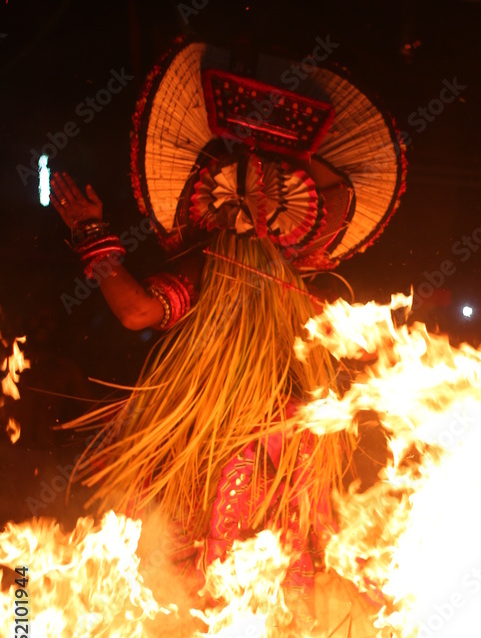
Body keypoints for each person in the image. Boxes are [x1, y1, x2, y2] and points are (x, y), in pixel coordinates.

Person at [51, 38, 407, 586]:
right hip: (243, 447)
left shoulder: (262, 273)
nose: (257, 204)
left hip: (254, 447)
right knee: (239, 585)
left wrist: (90, 234)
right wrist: (92, 236)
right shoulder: (221, 267)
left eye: (272, 187)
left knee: (246, 584)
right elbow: (138, 311)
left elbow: (137, 312)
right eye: (251, 186)